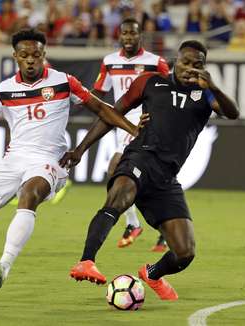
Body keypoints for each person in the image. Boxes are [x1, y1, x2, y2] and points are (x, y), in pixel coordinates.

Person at [0, 28, 143, 299]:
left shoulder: (63, 82)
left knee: (29, 194)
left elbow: (103, 109)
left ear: (43, 55)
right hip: (13, 160)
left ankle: (4, 266)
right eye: (24, 55)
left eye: (36, 54)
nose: (31, 60)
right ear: (15, 56)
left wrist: (132, 129)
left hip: (50, 161)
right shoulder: (4, 90)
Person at [61, 40, 239, 300]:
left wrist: (212, 86)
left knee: (185, 252)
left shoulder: (205, 95)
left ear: (204, 68)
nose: (190, 68)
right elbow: (112, 113)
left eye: (197, 64)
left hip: (166, 179)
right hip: (140, 158)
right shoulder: (150, 82)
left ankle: (152, 273)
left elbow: (233, 113)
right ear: (175, 61)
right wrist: (80, 149)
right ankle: (86, 261)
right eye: (186, 62)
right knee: (119, 197)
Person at [91, 17, 169, 252]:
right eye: (124, 33)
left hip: (145, 122)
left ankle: (135, 224)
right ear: (119, 35)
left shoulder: (156, 62)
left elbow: (169, 91)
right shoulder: (110, 61)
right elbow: (99, 92)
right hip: (121, 121)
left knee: (116, 168)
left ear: (140, 36)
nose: (128, 37)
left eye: (132, 33)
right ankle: (155, 227)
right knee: (140, 178)